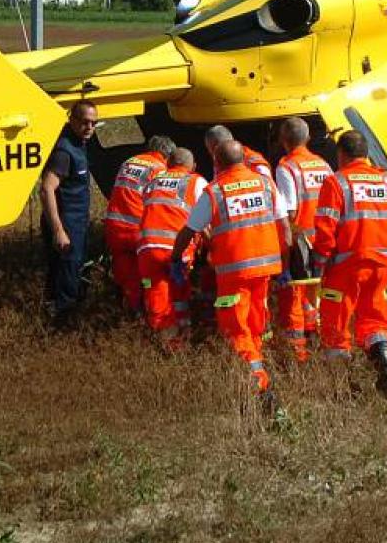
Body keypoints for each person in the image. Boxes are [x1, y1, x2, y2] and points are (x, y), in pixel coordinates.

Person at [172, 140, 286, 401]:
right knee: (256, 322)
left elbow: (189, 230)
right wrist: (285, 263)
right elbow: (285, 227)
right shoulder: (266, 183)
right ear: (243, 160)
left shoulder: (215, 191)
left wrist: (175, 257)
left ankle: (260, 386)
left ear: (217, 163)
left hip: (235, 273)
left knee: (235, 327)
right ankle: (259, 363)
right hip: (265, 268)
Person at [311, 130, 387, 392]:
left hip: (346, 265)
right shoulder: (386, 182)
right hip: (382, 263)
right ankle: (385, 365)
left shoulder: (336, 183)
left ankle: (344, 386)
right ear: (366, 154)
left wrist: (320, 262)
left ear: (341, 154)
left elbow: (325, 231)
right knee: (374, 318)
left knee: (336, 324)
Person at [272, 117, 333, 362]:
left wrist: (283, 250)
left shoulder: (287, 166)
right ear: (308, 138)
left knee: (295, 297)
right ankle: (317, 338)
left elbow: (289, 212)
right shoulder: (323, 165)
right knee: (317, 295)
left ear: (282, 140)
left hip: (301, 243)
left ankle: (298, 354)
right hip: (325, 240)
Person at [136, 147, 207, 348]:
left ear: (168, 164)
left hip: (148, 249)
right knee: (180, 294)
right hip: (177, 249)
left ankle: (164, 345)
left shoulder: (153, 180)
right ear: (193, 166)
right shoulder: (196, 181)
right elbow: (206, 218)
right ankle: (183, 340)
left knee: (157, 298)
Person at [40, 99, 99, 329]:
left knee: (70, 273)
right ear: (72, 120)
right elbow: (47, 189)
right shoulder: (65, 151)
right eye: (84, 122)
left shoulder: (80, 144)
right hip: (66, 225)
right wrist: (58, 230)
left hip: (77, 223)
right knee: (67, 276)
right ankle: (62, 328)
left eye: (94, 123)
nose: (89, 127)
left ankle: (57, 319)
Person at [104, 134, 174, 315]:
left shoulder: (128, 162)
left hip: (115, 229)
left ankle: (124, 312)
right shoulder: (160, 169)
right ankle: (144, 316)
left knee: (124, 276)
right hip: (138, 232)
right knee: (149, 279)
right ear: (166, 156)